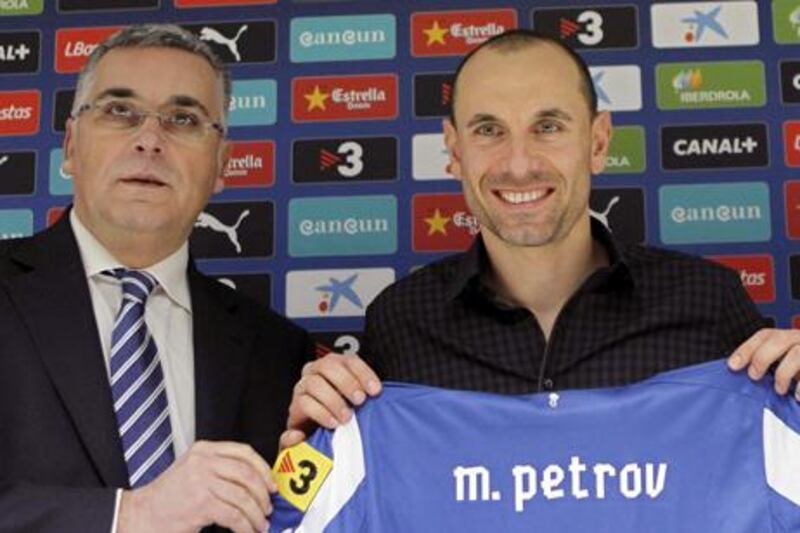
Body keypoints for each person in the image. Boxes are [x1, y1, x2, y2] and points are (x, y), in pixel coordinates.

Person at [282, 29, 800, 441]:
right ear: (455, 150)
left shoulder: (707, 303)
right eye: (489, 130)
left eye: (548, 126)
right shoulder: (401, 322)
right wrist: (307, 450)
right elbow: (334, 496)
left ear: (597, 142)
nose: (520, 164)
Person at [0, 25, 309, 533]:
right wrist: (129, 516)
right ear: (71, 145)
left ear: (221, 166)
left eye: (183, 119)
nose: (149, 141)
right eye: (120, 111)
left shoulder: (276, 351)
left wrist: (314, 466)